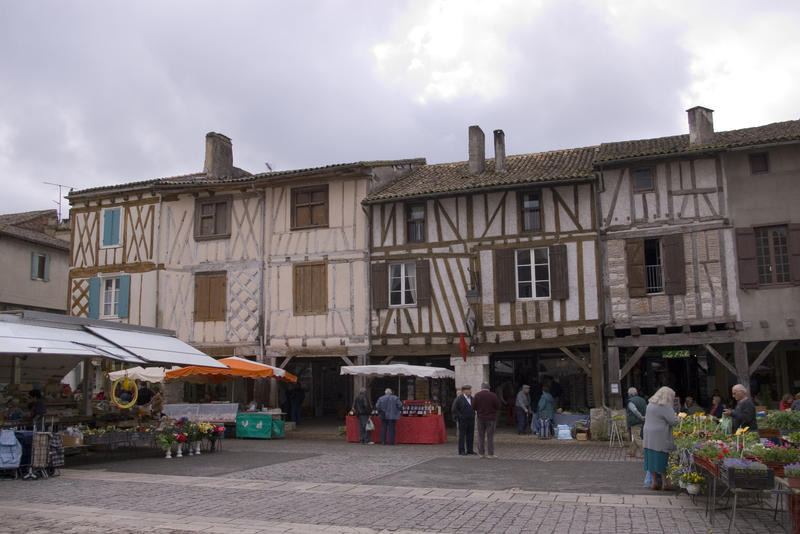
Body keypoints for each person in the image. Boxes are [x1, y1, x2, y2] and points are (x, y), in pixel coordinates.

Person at [643, 386, 679, 491]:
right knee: (662, 457)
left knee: (651, 457)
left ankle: (654, 482)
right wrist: (679, 417)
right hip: (660, 435)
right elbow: (673, 421)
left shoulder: (650, 404)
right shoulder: (665, 406)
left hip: (648, 434)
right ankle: (664, 483)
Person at [472, 383, 500, 458]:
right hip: (490, 418)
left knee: (481, 436)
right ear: (489, 388)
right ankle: (490, 454)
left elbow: (473, 406)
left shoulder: (477, 395)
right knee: (490, 436)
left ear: (481, 387)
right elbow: (498, 406)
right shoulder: (493, 395)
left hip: (480, 418)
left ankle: (481, 453)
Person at [451, 385, 476, 455]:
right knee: (462, 435)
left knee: (470, 435)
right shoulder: (459, 399)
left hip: (471, 419)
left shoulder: (472, 398)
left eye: (470, 390)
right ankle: (461, 450)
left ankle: (470, 450)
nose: (470, 391)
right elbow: (454, 409)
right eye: (469, 390)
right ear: (464, 391)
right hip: (463, 420)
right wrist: (460, 416)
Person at [626, 387, 647, 458]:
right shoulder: (643, 400)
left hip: (634, 422)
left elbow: (634, 411)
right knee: (636, 436)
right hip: (643, 421)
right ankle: (631, 451)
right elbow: (646, 408)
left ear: (630, 394)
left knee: (637, 437)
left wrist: (640, 417)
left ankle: (644, 452)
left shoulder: (631, 401)